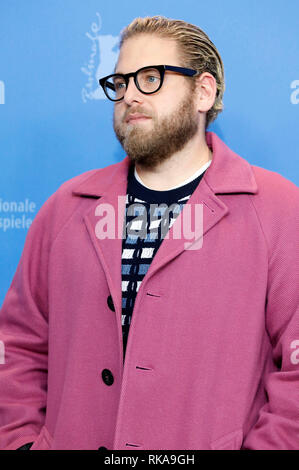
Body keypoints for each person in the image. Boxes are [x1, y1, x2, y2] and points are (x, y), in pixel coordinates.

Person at [1, 15, 299, 451]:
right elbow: (19, 347)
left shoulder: (277, 209)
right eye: (121, 83)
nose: (130, 96)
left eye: (151, 78)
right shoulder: (65, 207)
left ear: (204, 91)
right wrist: (20, 442)